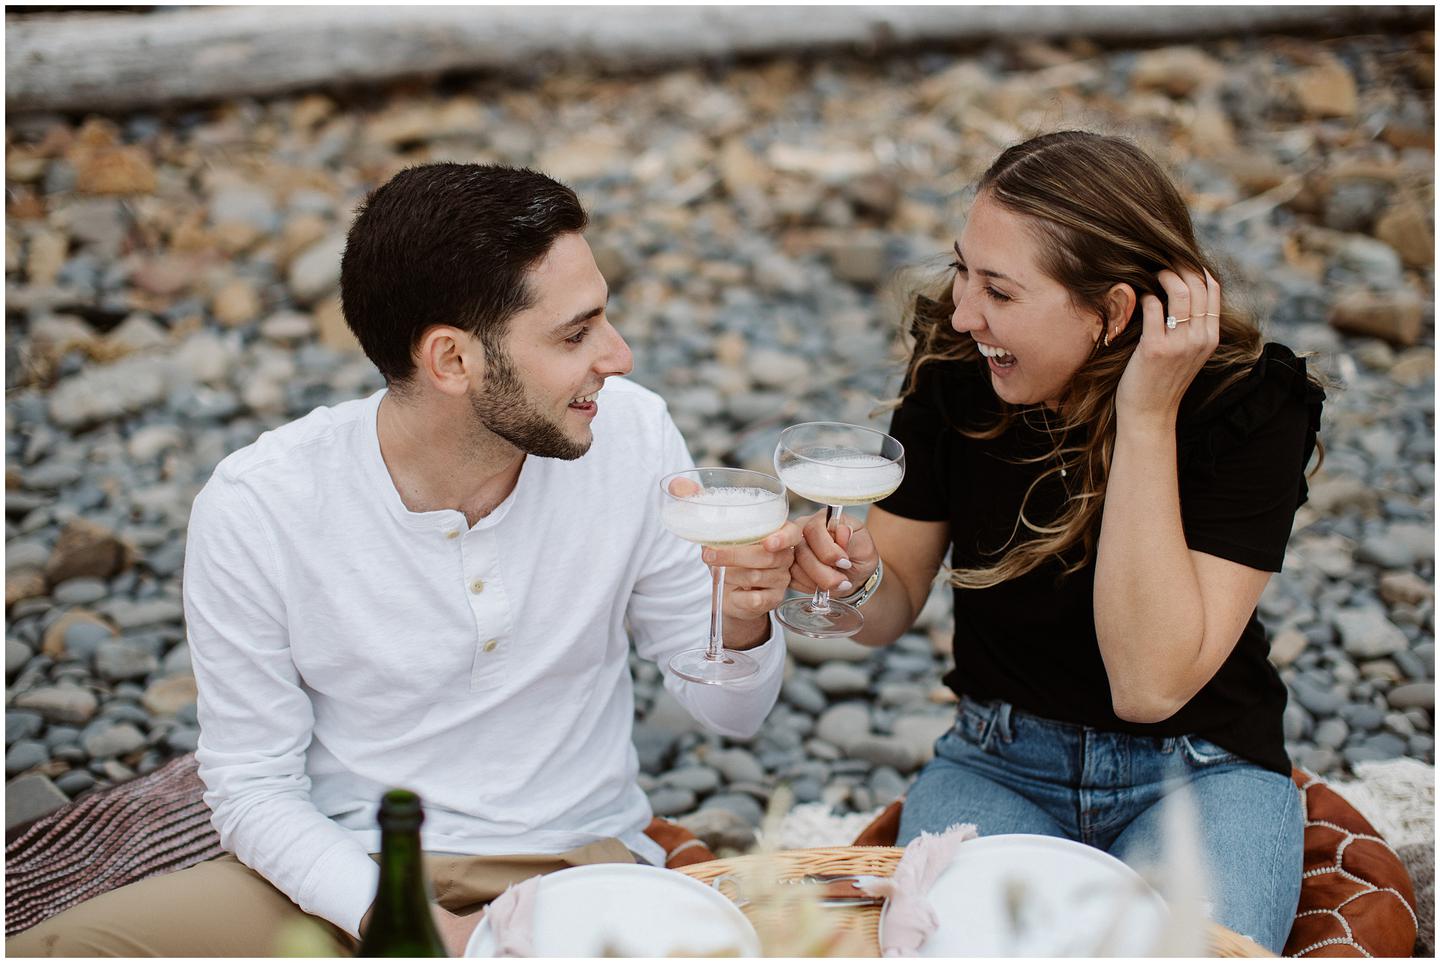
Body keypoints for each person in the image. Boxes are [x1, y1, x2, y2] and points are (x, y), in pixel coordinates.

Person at [8, 163, 799, 957]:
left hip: (574, 864)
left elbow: (730, 713)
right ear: (452, 361)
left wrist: (738, 620)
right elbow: (252, 787)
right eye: (575, 333)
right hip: (343, 872)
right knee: (65, 949)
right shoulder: (259, 505)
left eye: (604, 318)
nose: (619, 356)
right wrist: (406, 926)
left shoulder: (634, 434)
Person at [788, 131, 1324, 953]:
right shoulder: (959, 367)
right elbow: (888, 603)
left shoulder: (1252, 404)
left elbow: (1150, 685)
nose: (965, 313)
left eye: (998, 290)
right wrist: (851, 578)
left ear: (1112, 311)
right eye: (963, 269)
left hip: (1202, 768)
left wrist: (1146, 414)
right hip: (999, 761)